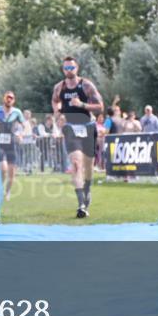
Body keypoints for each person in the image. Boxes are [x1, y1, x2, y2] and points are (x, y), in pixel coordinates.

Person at [51, 56, 105, 218]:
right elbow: (55, 102)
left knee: (88, 168)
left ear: (77, 68)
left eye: (71, 68)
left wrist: (82, 105)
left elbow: (100, 107)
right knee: (75, 163)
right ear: (63, 70)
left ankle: (87, 192)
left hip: (88, 127)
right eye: (66, 68)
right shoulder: (59, 87)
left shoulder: (86, 85)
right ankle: (81, 204)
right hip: (70, 128)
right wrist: (57, 112)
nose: (69, 71)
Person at [0, 91, 26, 201]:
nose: (9, 99)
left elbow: (24, 126)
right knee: (3, 168)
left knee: (11, 171)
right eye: (7, 97)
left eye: (11, 98)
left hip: (12, 144)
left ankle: (8, 191)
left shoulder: (17, 112)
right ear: (4, 98)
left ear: (14, 100)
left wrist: (20, 134)